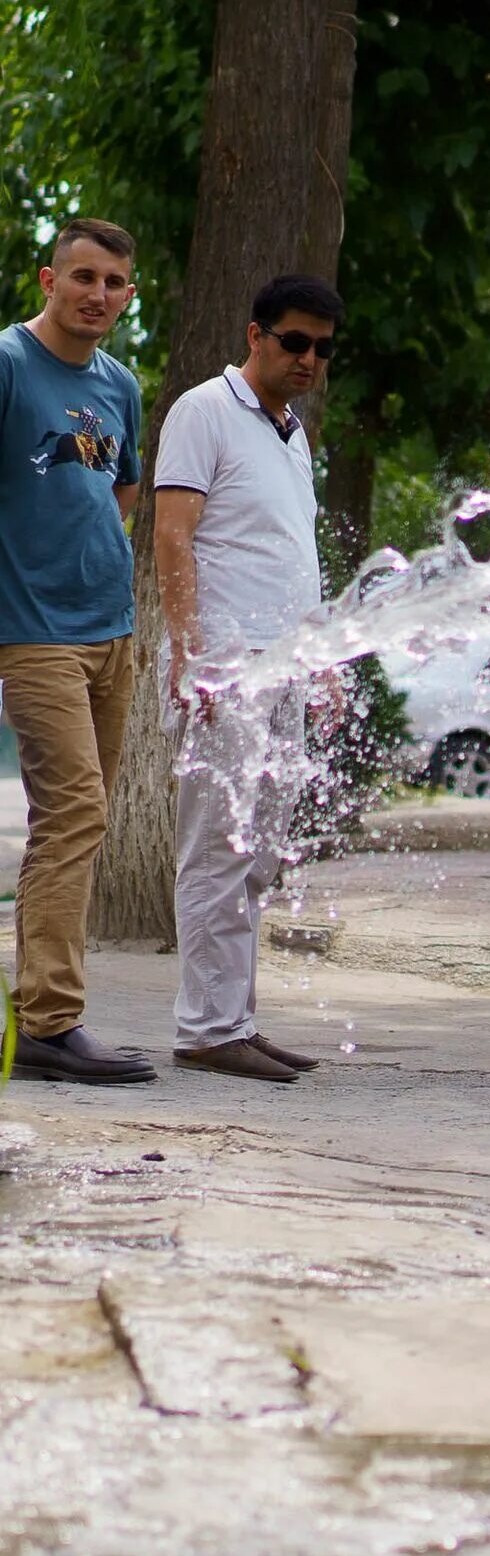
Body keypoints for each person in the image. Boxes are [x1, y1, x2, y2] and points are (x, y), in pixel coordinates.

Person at [153, 274, 347, 1083]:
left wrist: (325, 662)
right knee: (216, 850)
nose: (308, 358)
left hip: (287, 669)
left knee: (261, 852)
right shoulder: (203, 411)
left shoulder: (291, 432)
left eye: (323, 349)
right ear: (255, 335)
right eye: (295, 341)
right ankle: (204, 1027)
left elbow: (290, 560)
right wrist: (190, 653)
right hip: (225, 672)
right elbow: (173, 534)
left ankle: (235, 1018)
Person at [0, 218, 153, 1085]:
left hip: (111, 632)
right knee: (76, 815)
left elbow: (119, 488)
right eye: (83, 276)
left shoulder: (120, 384)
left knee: (76, 825)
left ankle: (43, 1006)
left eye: (115, 283)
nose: (98, 294)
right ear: (47, 278)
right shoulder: (9, 365)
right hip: (33, 634)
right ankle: (51, 1025)